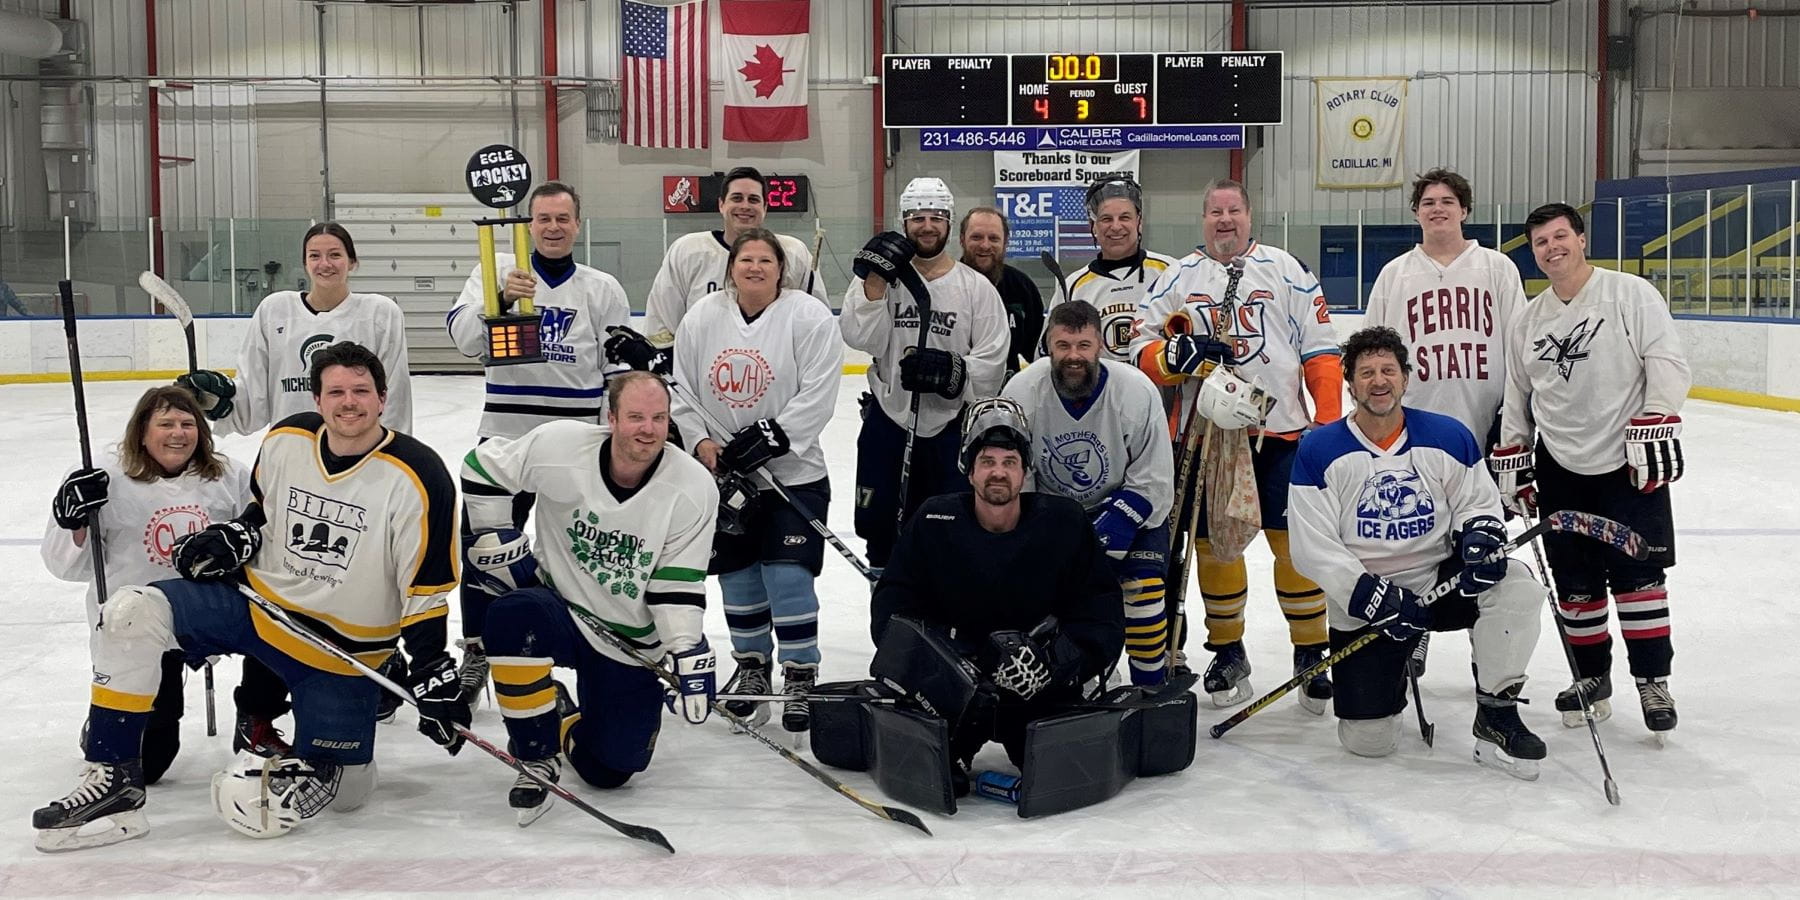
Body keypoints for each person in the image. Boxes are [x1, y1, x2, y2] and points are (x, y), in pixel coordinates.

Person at [33, 342, 461, 850]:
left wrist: (431, 664)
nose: (349, 402)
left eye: (361, 391)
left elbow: (426, 585)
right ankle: (115, 774)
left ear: (383, 398)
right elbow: (261, 513)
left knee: (346, 792)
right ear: (318, 399)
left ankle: (308, 744)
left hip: (340, 648)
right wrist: (235, 536)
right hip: (259, 608)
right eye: (336, 391)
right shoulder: (287, 438)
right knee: (130, 612)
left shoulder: (418, 474)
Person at [175, 221, 414, 757]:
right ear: (304, 261)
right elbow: (250, 403)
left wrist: (396, 464)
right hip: (291, 472)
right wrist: (215, 401)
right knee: (282, 591)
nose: (325, 263)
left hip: (363, 468)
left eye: (335, 254)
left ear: (352, 261)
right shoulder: (274, 311)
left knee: (365, 580)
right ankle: (257, 712)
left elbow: (392, 395)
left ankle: (376, 671)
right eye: (314, 254)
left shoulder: (381, 314)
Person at [1288, 326, 1547, 778]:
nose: (1379, 380)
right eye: (1365, 372)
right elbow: (1313, 546)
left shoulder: (1448, 435)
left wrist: (1480, 536)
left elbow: (1477, 502)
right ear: (1349, 384)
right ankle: (1396, 662)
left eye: (1388, 370)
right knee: (1369, 743)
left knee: (1517, 588)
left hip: (1437, 580)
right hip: (1365, 601)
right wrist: (1368, 593)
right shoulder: (1320, 448)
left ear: (1406, 378)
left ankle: (1495, 713)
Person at [460, 372, 718, 823]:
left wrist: (685, 649)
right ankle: (535, 754)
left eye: (659, 418)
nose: (648, 429)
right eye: (635, 417)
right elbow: (481, 467)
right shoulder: (559, 447)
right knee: (511, 615)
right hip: (557, 608)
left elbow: (676, 584)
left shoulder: (693, 487)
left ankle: (558, 713)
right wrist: (493, 532)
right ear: (611, 417)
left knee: (611, 769)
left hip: (627, 638)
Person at [1130, 178, 1344, 709]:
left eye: (1234, 211)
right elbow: (1140, 346)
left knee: (1292, 544)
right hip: (1207, 438)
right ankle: (1228, 650)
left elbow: (1319, 351)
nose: (1224, 220)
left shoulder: (1287, 270)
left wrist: (1331, 424)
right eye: (1215, 212)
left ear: (1250, 217)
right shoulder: (1177, 276)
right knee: (1213, 547)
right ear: (1203, 219)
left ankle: (1310, 650)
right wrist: (1171, 357)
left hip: (1281, 433)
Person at [1493, 202, 1690, 740]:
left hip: (1627, 463)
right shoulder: (1528, 319)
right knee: (1575, 584)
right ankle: (1591, 678)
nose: (1552, 248)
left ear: (1580, 239)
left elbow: (1666, 361)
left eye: (1560, 236)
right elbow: (1519, 393)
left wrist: (1657, 418)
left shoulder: (1630, 294)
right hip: (1558, 465)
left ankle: (1653, 679)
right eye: (1540, 242)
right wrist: (1514, 450)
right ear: (1533, 253)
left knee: (1639, 578)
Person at [446, 181, 632, 718]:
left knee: (580, 549)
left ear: (578, 224)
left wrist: (612, 443)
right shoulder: (495, 273)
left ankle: (586, 639)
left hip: (575, 446)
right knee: (483, 549)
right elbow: (464, 340)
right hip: (504, 440)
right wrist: (501, 300)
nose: (553, 227)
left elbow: (617, 373)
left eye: (563, 218)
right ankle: (479, 649)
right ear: (530, 223)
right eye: (543, 218)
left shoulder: (602, 288)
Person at [870, 397, 1123, 787]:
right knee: (927, 770)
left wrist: (1055, 664)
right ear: (968, 470)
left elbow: (1102, 615)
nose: (998, 473)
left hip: (1036, 692)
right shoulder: (934, 521)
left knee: (1061, 773)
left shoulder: (1065, 522)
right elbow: (892, 614)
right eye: (987, 462)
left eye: (1009, 463)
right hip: (955, 694)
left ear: (1026, 471)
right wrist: (947, 668)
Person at [666, 229, 842, 732]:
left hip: (794, 474)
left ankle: (800, 673)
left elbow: (821, 388)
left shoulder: (806, 315)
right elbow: (684, 390)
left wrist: (777, 435)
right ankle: (751, 668)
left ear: (781, 270)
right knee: (739, 579)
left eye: (766, 259)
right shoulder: (703, 316)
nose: (756, 267)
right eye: (747, 259)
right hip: (725, 479)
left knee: (788, 576)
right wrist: (702, 444)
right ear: (731, 267)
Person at [41, 386, 252, 785]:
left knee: (276, 624)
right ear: (141, 432)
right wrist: (75, 523)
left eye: (188, 423)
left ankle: (257, 716)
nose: (178, 433)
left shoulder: (228, 475)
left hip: (202, 614)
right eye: (166, 423)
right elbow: (64, 566)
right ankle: (104, 721)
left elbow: (257, 545)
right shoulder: (102, 477)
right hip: (134, 629)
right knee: (149, 764)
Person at [1364, 168, 1528, 678]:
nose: (1438, 208)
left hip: (1485, 435)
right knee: (1415, 542)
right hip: (1414, 439)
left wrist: (1517, 424)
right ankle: (1416, 629)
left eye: (1448, 200)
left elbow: (1520, 350)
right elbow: (1375, 351)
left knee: (1482, 551)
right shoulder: (1396, 274)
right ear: (1416, 213)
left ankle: (1490, 648)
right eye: (1428, 201)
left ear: (1464, 209)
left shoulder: (1496, 268)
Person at [841, 176, 1011, 572]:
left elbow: (992, 362)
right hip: (889, 420)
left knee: (950, 526)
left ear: (950, 223)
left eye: (936, 217)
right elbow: (860, 336)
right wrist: (876, 282)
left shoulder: (975, 288)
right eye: (917, 217)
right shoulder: (884, 279)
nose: (927, 226)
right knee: (877, 523)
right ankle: (888, 610)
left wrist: (953, 372)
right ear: (904, 221)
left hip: (951, 429)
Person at [1001, 301, 1173, 684]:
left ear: (1101, 347)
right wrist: (1039, 529)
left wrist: (1118, 523)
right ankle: (1073, 678)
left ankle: (1150, 690)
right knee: (1044, 599)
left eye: (1083, 345)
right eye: (1063, 346)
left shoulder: (1135, 391)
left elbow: (1156, 478)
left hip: (1131, 509)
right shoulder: (1022, 391)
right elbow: (1017, 471)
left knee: (1141, 592)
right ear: (1047, 347)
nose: (1073, 356)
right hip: (1054, 515)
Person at [642, 165, 829, 347]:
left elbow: (816, 317)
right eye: (737, 198)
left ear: (765, 207)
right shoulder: (687, 251)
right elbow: (662, 321)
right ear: (721, 205)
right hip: (703, 369)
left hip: (776, 368)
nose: (745, 206)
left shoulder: (793, 253)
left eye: (753, 200)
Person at [1049, 176, 1179, 365]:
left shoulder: (1171, 273)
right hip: (1099, 393)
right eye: (1106, 219)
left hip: (1158, 392)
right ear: (1093, 227)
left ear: (1139, 222)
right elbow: (1053, 351)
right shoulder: (1072, 287)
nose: (1116, 227)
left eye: (1125, 217)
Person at [958, 206, 1043, 372]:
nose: (985, 245)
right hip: (957, 393)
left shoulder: (1023, 288)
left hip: (1009, 393)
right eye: (976, 237)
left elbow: (1036, 354)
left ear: (1006, 242)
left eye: (994, 238)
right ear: (962, 239)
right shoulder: (946, 286)